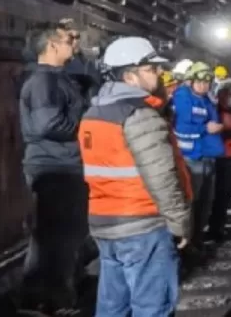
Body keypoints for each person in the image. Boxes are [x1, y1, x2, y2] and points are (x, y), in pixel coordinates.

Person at [81, 37, 191, 316]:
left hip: (105, 224)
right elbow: (162, 177)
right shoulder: (140, 114)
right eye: (150, 69)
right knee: (152, 307)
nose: (158, 74)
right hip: (143, 224)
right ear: (130, 75)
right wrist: (179, 222)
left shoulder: (94, 113)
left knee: (112, 308)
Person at [18, 22, 88, 314]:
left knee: (60, 236)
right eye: (67, 39)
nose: (73, 43)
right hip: (54, 168)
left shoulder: (59, 78)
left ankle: (51, 297)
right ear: (51, 46)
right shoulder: (43, 82)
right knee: (54, 238)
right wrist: (86, 127)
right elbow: (48, 124)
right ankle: (44, 300)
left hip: (63, 165)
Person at [170, 62, 224, 251]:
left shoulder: (206, 99)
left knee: (204, 203)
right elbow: (180, 129)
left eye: (207, 82)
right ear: (190, 81)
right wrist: (205, 128)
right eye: (199, 82)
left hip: (207, 157)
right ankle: (187, 245)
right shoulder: (183, 98)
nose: (203, 86)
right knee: (191, 203)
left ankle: (198, 241)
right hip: (191, 159)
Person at [208, 82, 231, 242]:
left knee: (226, 193)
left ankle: (220, 226)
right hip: (222, 157)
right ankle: (215, 230)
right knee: (220, 194)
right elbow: (218, 133)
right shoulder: (215, 111)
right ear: (222, 95)